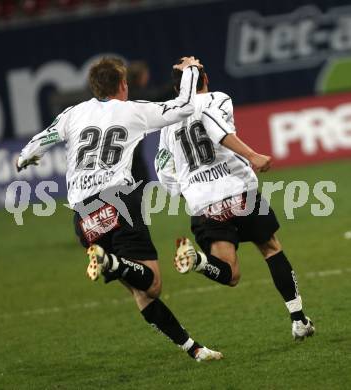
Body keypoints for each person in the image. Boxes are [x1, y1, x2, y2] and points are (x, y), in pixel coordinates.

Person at [16, 56, 222, 361]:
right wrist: (190, 71)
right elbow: (185, 106)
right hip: (118, 201)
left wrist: (24, 158)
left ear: (94, 86)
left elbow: (40, 141)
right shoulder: (132, 111)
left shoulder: (72, 114)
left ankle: (193, 349)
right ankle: (111, 262)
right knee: (151, 283)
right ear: (123, 85)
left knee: (139, 292)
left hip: (84, 214)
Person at [155, 58, 315, 341]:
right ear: (205, 79)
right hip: (237, 189)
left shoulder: (168, 122)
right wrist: (253, 156)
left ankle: (199, 262)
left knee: (230, 274)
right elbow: (219, 133)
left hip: (203, 202)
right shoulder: (218, 99)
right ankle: (298, 318)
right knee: (271, 249)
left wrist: (188, 189)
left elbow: (163, 169)